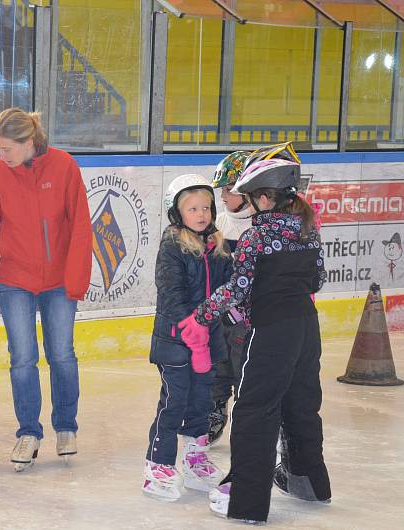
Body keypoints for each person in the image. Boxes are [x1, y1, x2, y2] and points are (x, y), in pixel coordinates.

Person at [177, 158, 331, 523]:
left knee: (254, 411)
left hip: (271, 330)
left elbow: (239, 288)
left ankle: (245, 501)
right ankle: (308, 481)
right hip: (306, 328)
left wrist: (201, 316)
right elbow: (317, 280)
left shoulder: (256, 236)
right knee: (301, 404)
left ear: (264, 199)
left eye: (248, 198)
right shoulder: (308, 228)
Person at [0, 108, 92, 472]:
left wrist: (76, 277)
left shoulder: (64, 166)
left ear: (27, 142)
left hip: (58, 281)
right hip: (14, 279)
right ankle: (29, 432)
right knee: (22, 358)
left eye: (5, 149)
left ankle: (66, 428)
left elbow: (81, 225)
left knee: (62, 355)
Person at [142, 174, 233, 502]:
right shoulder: (173, 243)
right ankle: (158, 464)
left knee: (202, 403)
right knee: (174, 401)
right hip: (176, 342)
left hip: (209, 340)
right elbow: (170, 290)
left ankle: (195, 460)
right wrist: (189, 324)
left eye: (206, 207)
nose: (202, 214)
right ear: (177, 213)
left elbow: (229, 285)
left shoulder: (217, 245)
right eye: (193, 208)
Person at [207, 150, 254, 444]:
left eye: (228, 190)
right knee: (216, 367)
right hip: (217, 315)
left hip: (246, 322)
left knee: (243, 371)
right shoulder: (217, 226)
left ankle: (246, 419)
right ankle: (214, 410)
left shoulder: (260, 226)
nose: (222, 197)